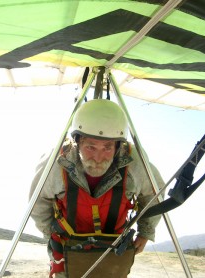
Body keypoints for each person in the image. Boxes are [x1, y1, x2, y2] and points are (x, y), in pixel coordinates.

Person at [29, 99, 164, 278]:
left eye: (107, 147)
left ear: (118, 145)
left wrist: (146, 231)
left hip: (113, 249)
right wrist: (50, 236)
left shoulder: (134, 164)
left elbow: (154, 194)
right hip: (67, 246)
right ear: (77, 141)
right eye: (91, 147)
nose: (98, 158)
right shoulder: (56, 162)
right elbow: (38, 202)